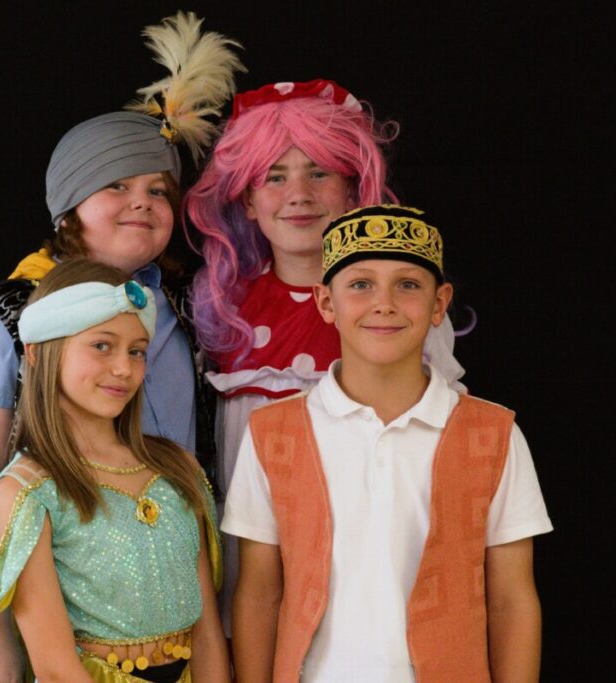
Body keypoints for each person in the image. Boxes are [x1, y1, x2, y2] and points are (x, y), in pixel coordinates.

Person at [0, 12, 243, 680]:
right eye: (116, 185)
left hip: (170, 600)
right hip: (57, 612)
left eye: (157, 191)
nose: (141, 202)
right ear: (68, 207)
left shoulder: (185, 307)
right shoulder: (7, 313)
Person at [222, 205, 553, 682]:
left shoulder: (493, 435)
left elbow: (511, 600)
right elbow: (258, 595)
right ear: (326, 302)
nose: (384, 303)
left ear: (439, 304)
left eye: (408, 285)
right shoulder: (273, 434)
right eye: (360, 284)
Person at [183, 79, 465, 631]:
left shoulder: (394, 310)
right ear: (247, 199)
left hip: (375, 551)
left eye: (319, 173)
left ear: (353, 191)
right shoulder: (223, 306)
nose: (299, 194)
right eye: (275, 176)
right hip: (255, 553)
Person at [0, 258, 229, 683]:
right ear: (37, 352)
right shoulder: (29, 489)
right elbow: (56, 668)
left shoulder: (177, 469)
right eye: (102, 346)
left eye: (136, 351)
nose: (124, 368)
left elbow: (208, 635)